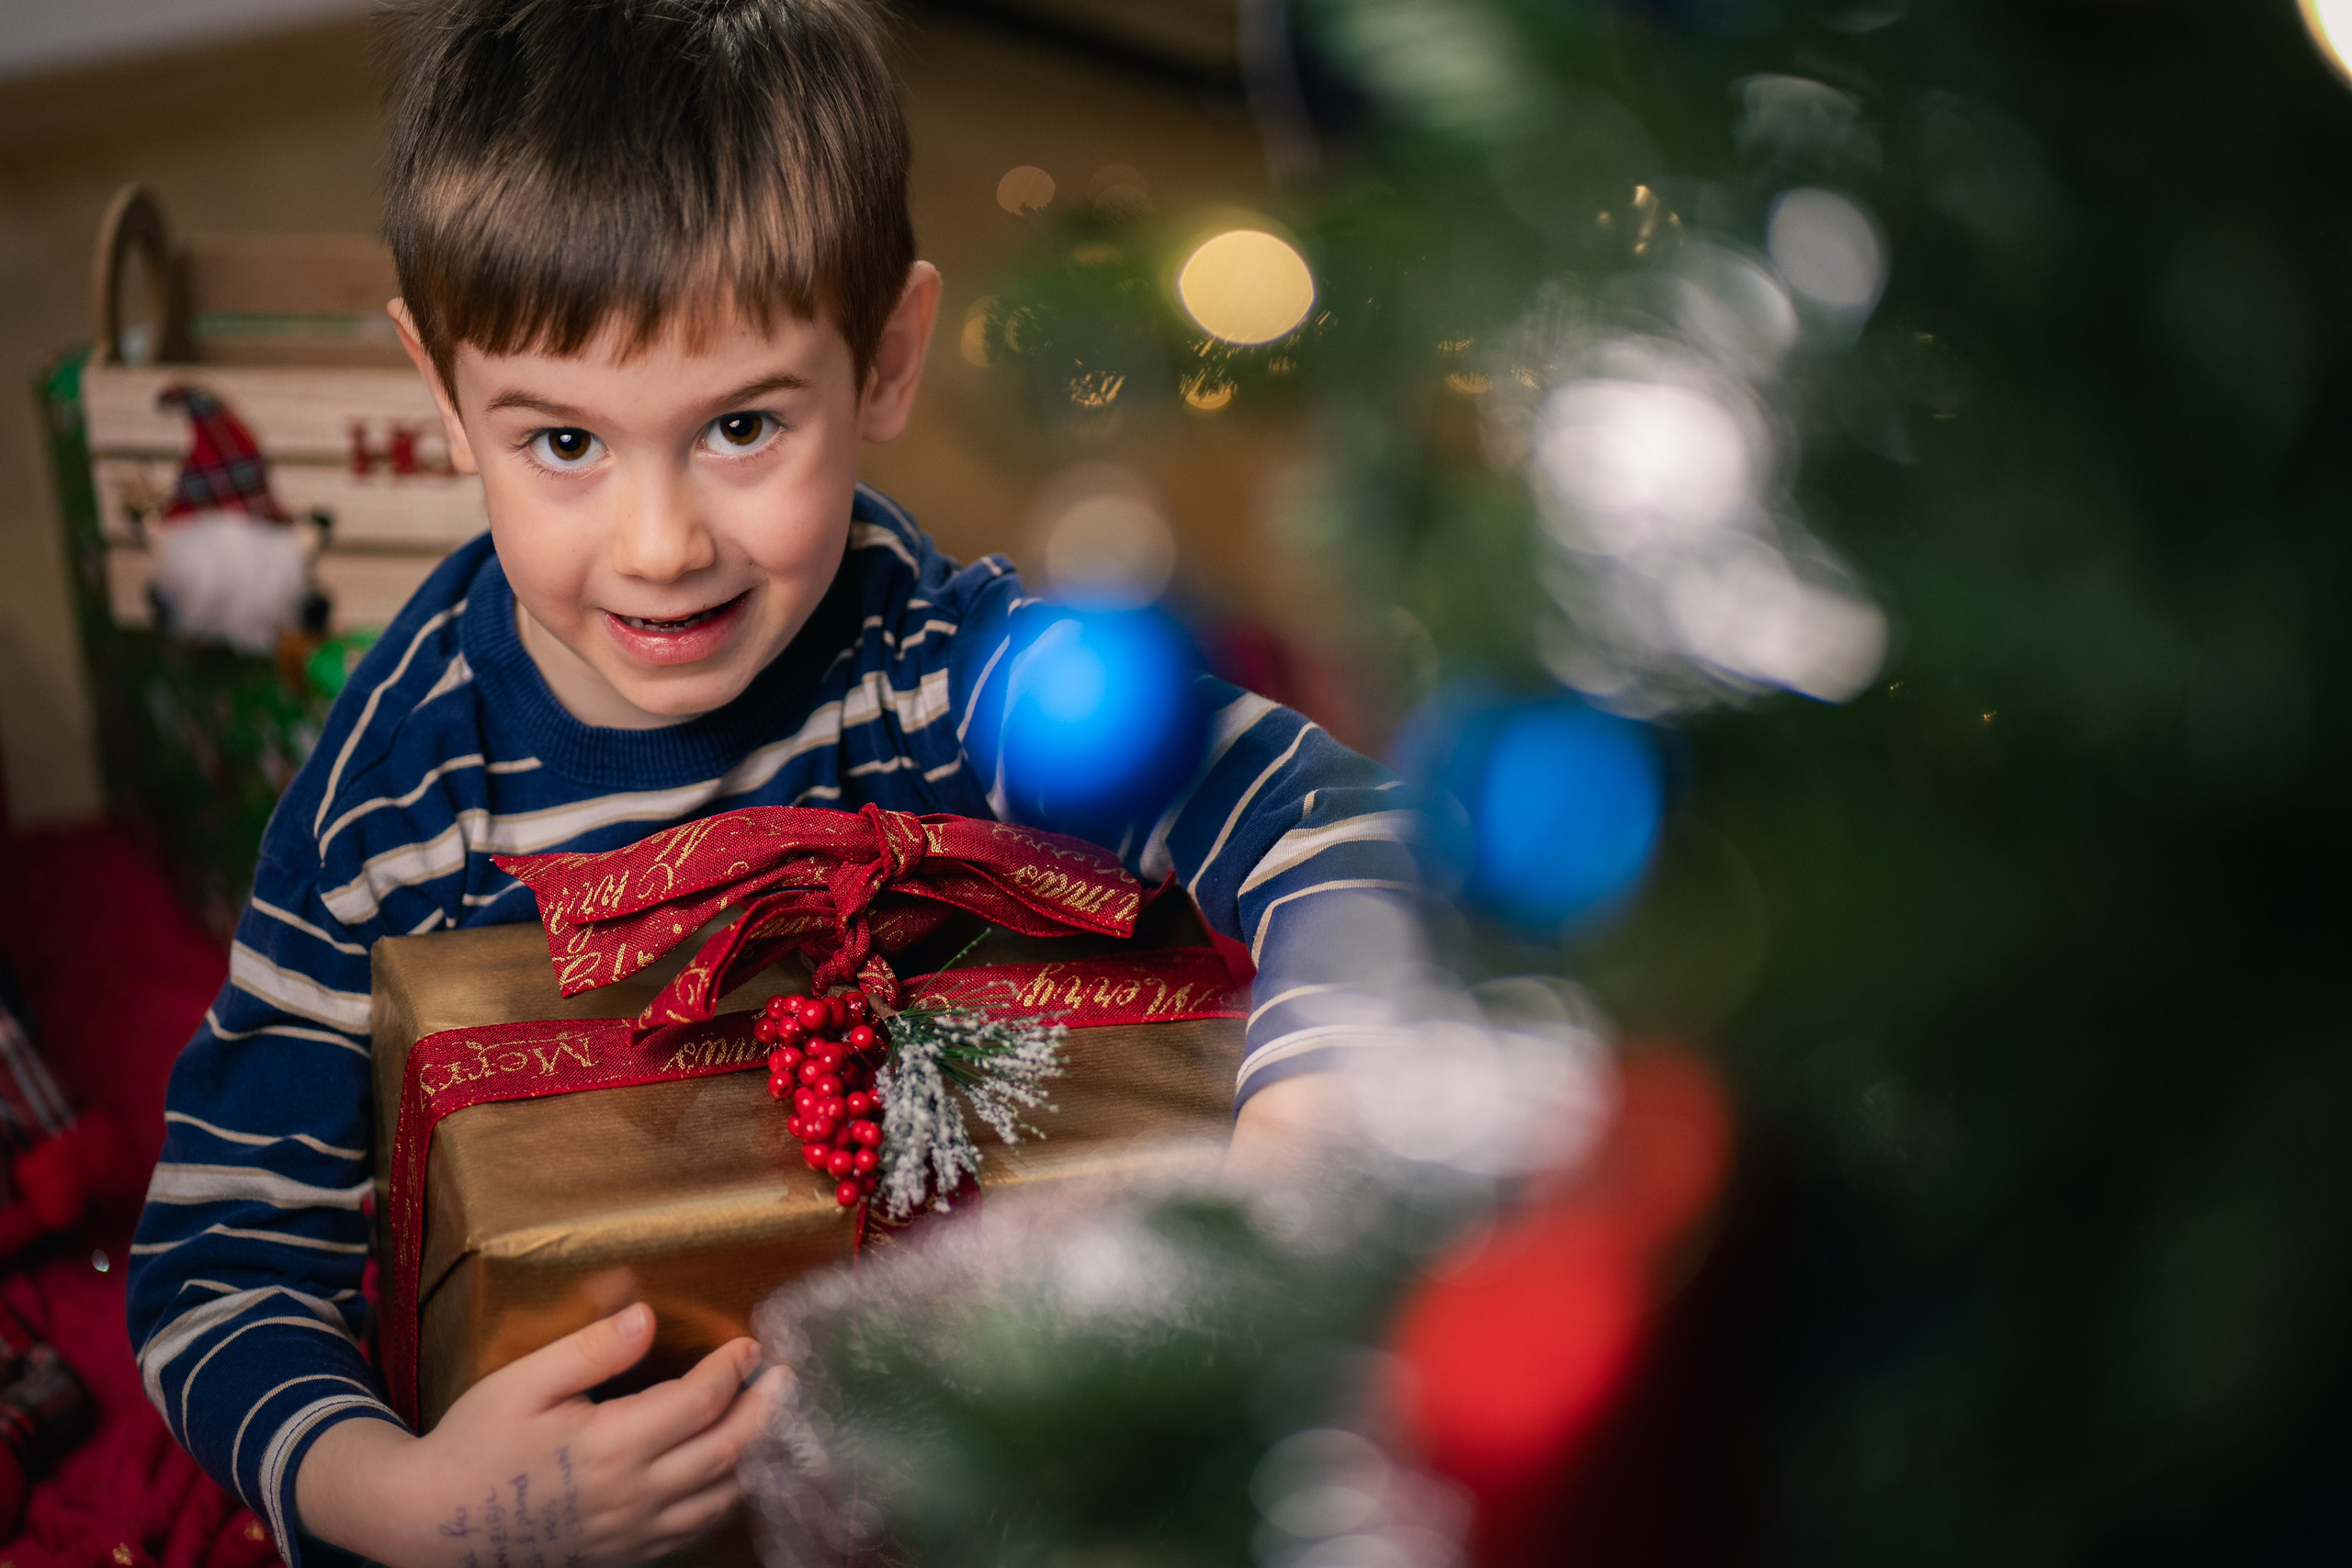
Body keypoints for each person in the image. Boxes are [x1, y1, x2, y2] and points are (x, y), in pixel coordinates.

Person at [125, 2, 1419, 1563]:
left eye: (740, 425)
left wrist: (1290, 1155)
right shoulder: (397, 804)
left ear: (886, 360)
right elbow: (221, 1259)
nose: (662, 545)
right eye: (564, 443)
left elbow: (1352, 829)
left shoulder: (956, 669)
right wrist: (402, 1503)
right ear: (439, 390)